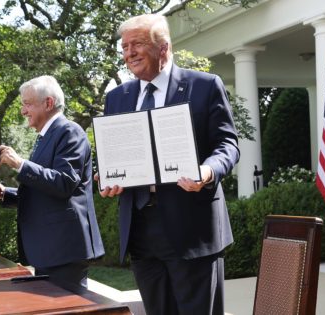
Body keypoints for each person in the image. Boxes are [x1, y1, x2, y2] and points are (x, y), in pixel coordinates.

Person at [97, 14, 240, 315]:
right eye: (124, 47)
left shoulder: (204, 86)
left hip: (192, 229)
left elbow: (228, 146)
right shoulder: (116, 98)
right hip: (141, 232)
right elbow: (115, 154)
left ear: (163, 48)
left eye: (136, 45)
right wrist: (107, 175)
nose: (129, 53)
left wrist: (208, 170)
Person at [0, 75, 105, 293]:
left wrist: (20, 164)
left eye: (27, 104)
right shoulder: (45, 137)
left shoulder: (70, 132)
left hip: (63, 250)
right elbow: (43, 191)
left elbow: (63, 183)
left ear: (48, 103)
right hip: (49, 249)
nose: (23, 111)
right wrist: (6, 194)